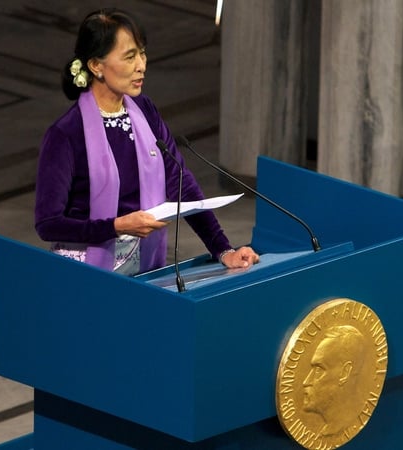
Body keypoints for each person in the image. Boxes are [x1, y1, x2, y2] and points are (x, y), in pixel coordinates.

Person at [34, 8, 259, 276]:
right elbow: (48, 224)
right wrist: (116, 226)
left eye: (142, 53)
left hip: (145, 266)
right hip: (86, 274)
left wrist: (223, 250)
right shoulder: (66, 134)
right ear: (96, 65)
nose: (141, 65)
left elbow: (180, 184)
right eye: (129, 56)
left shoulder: (144, 110)